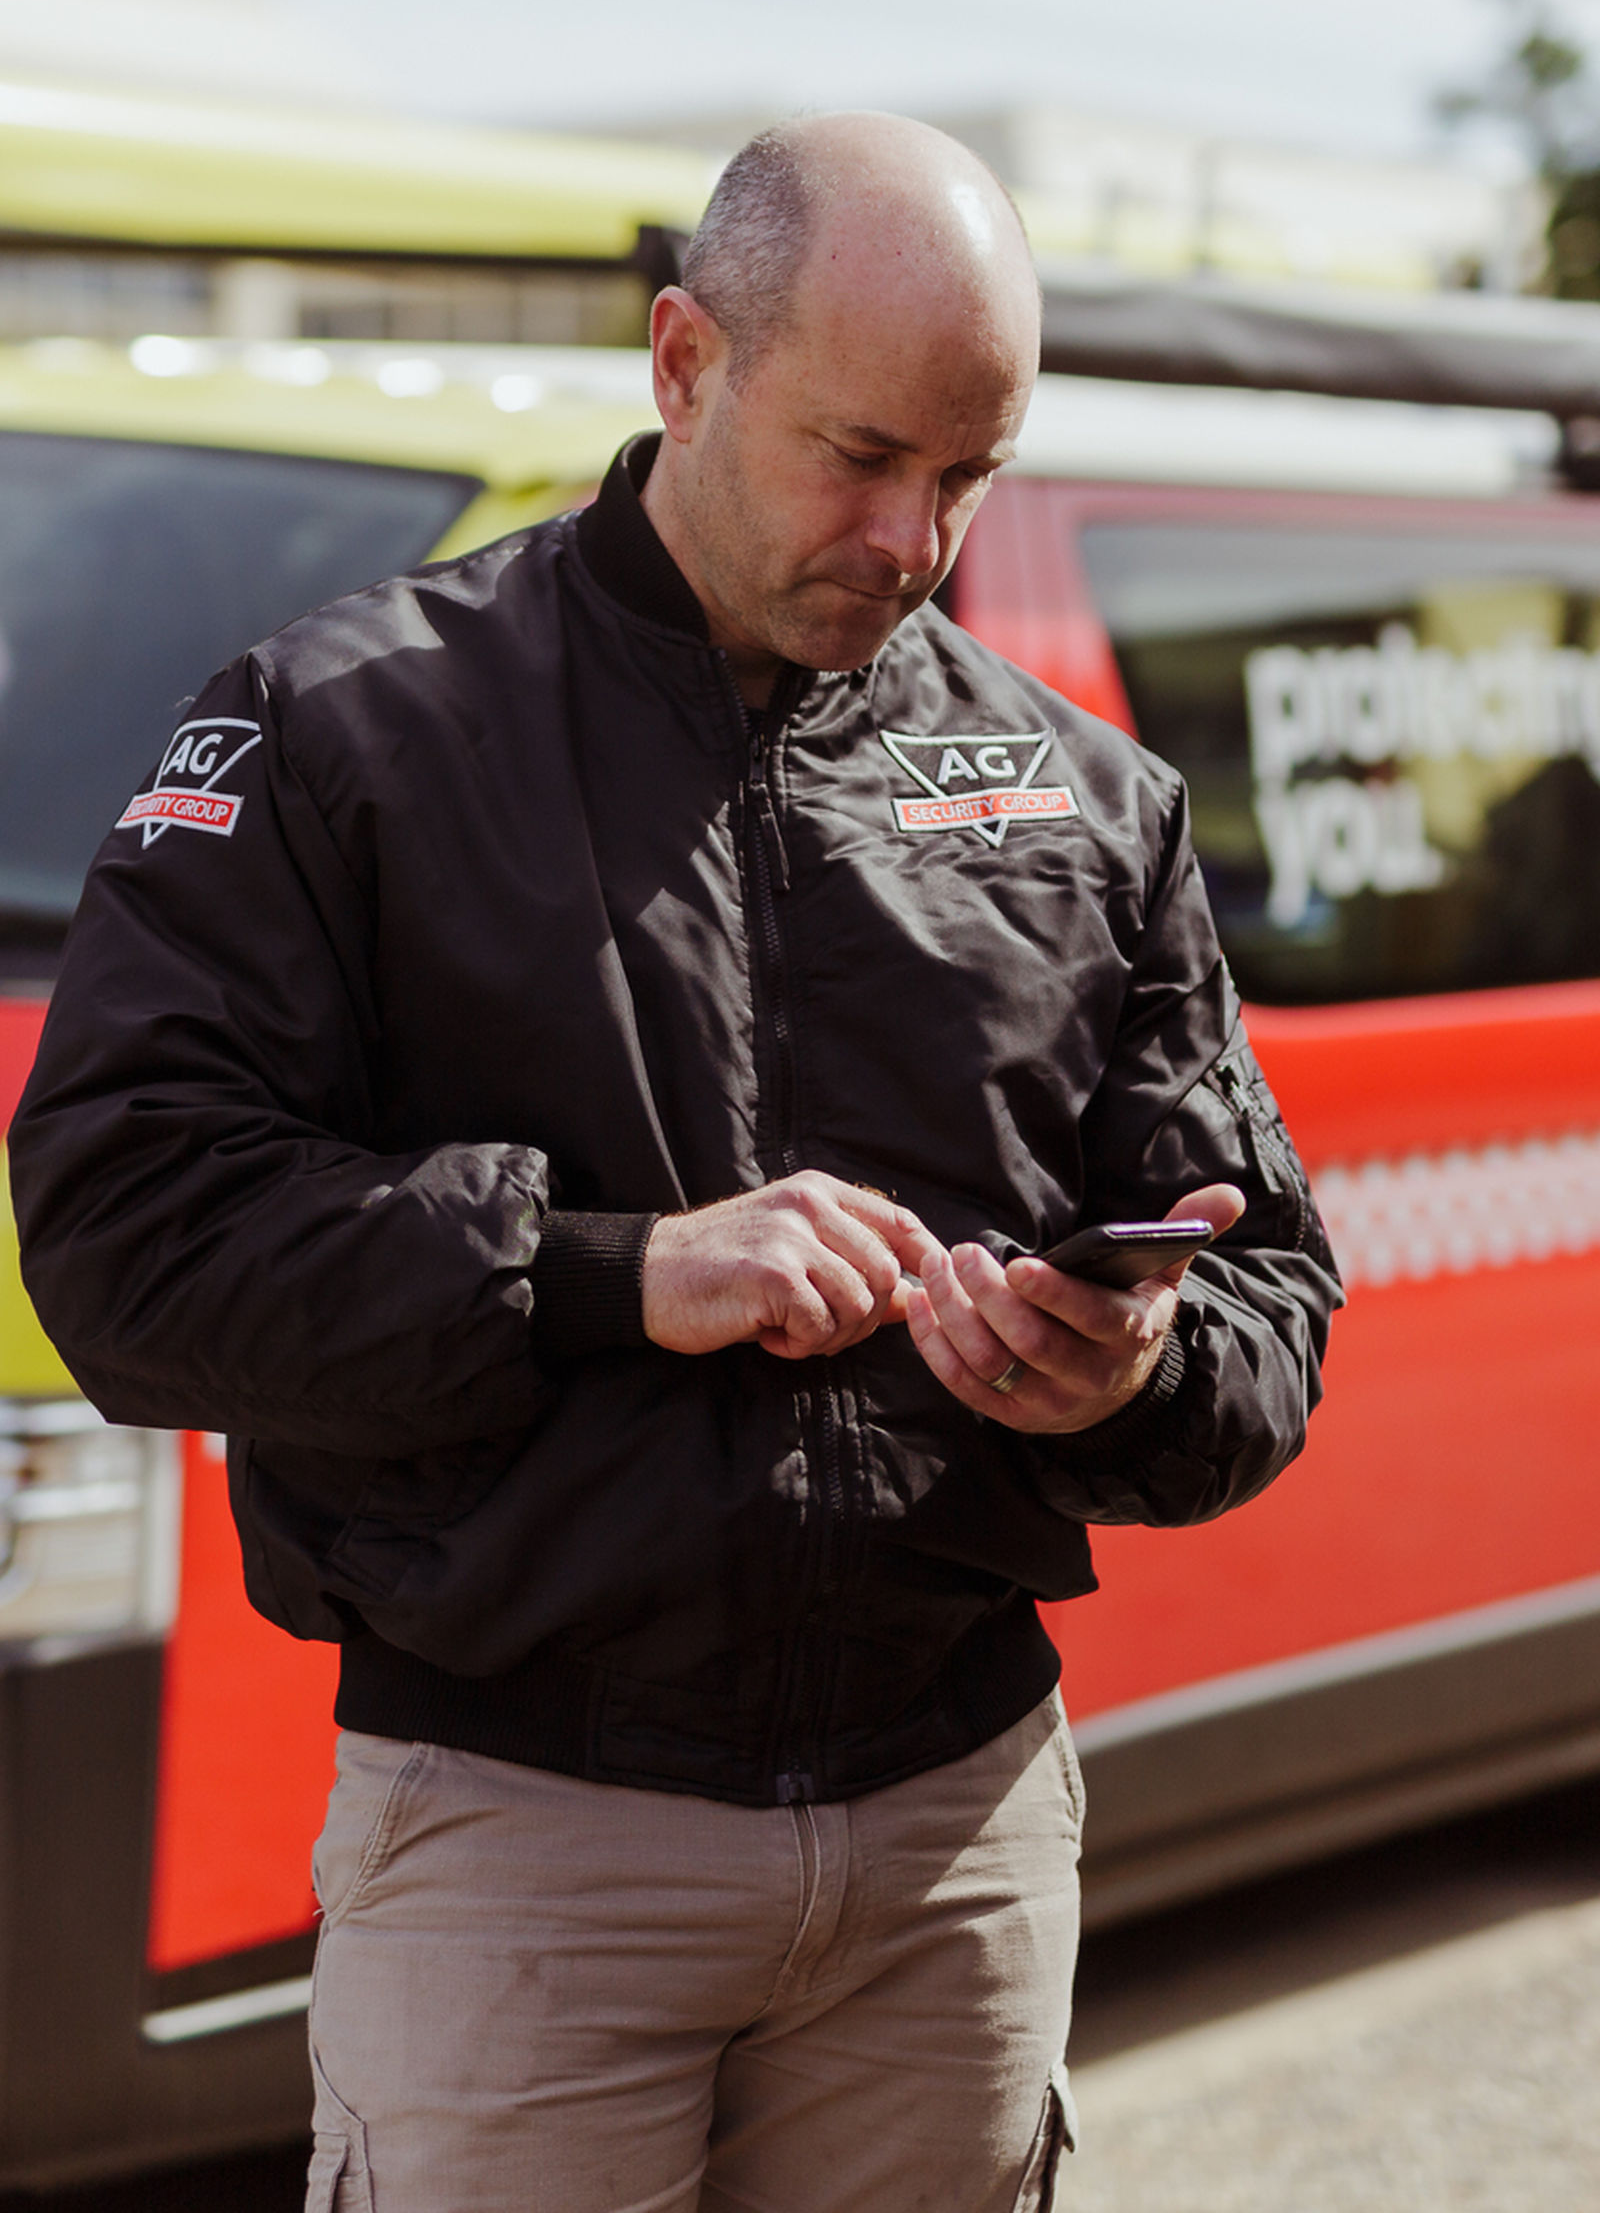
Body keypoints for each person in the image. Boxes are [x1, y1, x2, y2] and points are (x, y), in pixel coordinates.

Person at [10, 113, 1340, 2213]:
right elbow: (121, 1237)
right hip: (526, 1841)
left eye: (968, 474)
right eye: (861, 454)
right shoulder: (342, 735)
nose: (912, 540)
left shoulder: (1086, 801)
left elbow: (1269, 1291)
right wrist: (607, 1269)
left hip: (959, 1836)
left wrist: (1135, 1370)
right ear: (684, 360)